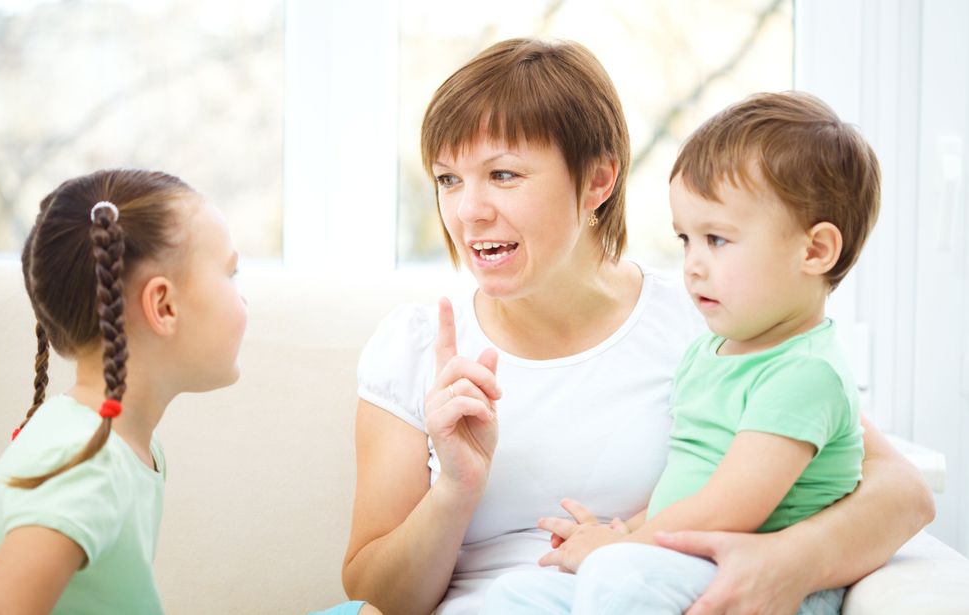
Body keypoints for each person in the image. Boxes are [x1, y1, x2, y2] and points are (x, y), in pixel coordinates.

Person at [342, 38, 934, 615]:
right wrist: (455, 486)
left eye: (504, 175)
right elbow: (380, 595)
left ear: (598, 181)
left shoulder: (711, 320)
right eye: (448, 179)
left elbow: (901, 493)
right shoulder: (417, 346)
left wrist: (790, 563)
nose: (468, 210)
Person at [480, 90, 877, 614]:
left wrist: (621, 547)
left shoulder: (803, 374)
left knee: (619, 577)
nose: (692, 264)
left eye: (718, 240)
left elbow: (732, 506)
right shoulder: (709, 352)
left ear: (815, 250)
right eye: (686, 239)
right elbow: (685, 486)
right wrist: (623, 528)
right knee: (515, 595)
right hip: (675, 561)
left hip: (749, 579)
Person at [0, 169, 378, 615]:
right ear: (164, 306)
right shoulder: (85, 467)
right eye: (231, 275)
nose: (242, 298)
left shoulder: (118, 441)